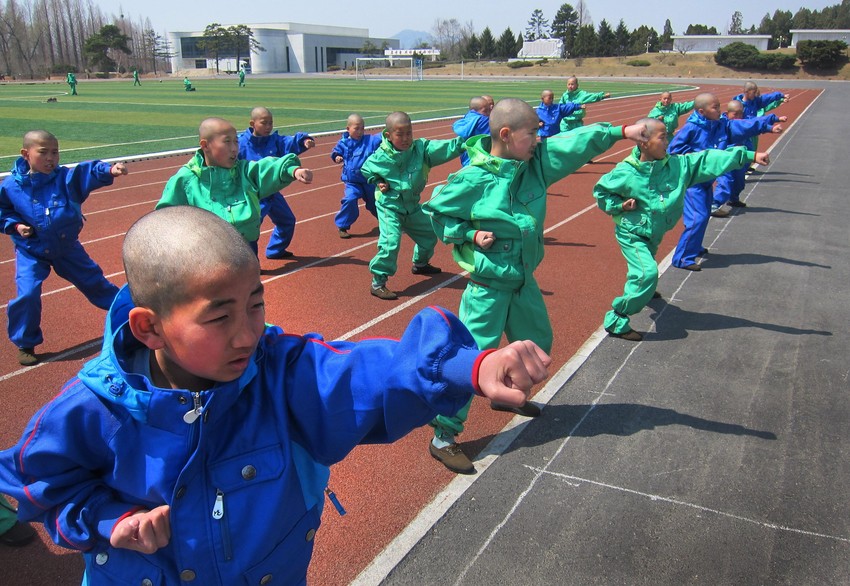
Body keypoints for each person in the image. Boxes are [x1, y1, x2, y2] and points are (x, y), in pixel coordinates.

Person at [0, 206, 551, 585]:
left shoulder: (276, 372)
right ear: (149, 328)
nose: (247, 333)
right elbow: (38, 485)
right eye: (219, 316)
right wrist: (107, 518)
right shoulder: (93, 408)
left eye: (256, 305)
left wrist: (471, 364)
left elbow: (367, 371)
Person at [422, 98, 647, 473]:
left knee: (538, 344)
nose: (541, 140)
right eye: (533, 133)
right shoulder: (473, 178)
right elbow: (437, 212)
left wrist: (621, 132)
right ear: (507, 136)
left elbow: (571, 145)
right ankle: (443, 436)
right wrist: (469, 232)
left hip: (523, 282)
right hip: (488, 287)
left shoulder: (534, 166)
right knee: (470, 358)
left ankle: (506, 395)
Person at [594, 118, 771, 341]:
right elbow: (602, 193)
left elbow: (707, 159)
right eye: (662, 137)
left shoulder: (678, 167)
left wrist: (748, 155)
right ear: (643, 142)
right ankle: (617, 319)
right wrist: (619, 205)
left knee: (644, 270)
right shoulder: (625, 172)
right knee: (647, 272)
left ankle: (644, 292)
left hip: (655, 232)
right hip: (632, 233)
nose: (668, 141)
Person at [0, 130, 128, 366]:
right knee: (27, 294)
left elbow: (87, 171)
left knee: (95, 282)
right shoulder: (10, 187)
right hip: (32, 250)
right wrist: (16, 226)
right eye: (43, 152)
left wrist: (109, 170)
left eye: (55, 152)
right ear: (25, 154)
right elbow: (3, 212)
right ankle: (25, 342)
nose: (51, 158)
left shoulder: (65, 179)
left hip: (66, 247)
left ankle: (129, 315)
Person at [158, 117, 313, 256]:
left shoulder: (243, 171)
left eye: (236, 142)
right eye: (227, 142)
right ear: (205, 145)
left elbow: (264, 169)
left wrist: (292, 170)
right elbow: (166, 217)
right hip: (207, 253)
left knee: (248, 286)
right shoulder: (186, 180)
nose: (234, 148)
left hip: (246, 247)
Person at [667, 93, 784, 271]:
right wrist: (699, 158)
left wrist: (768, 124)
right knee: (697, 218)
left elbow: (743, 125)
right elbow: (674, 151)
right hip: (693, 182)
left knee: (704, 215)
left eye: (718, 106)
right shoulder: (691, 128)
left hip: (706, 181)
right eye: (715, 107)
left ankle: (694, 246)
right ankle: (682, 258)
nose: (719, 110)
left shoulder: (721, 124)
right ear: (702, 111)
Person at [361, 111, 464, 300]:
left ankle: (420, 264)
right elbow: (366, 169)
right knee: (391, 243)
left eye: (409, 133)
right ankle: (378, 282)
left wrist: (464, 143)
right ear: (388, 135)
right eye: (400, 134)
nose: (406, 138)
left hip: (412, 206)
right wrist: (377, 179)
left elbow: (446, 148)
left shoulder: (421, 150)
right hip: (389, 206)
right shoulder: (381, 157)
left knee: (429, 234)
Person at [237, 107, 316, 259]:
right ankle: (251, 263)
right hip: (252, 196)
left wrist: (304, 140)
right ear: (252, 123)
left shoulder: (274, 141)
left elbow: (289, 142)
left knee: (287, 220)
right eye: (264, 123)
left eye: (271, 123)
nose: (268, 127)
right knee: (250, 231)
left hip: (272, 193)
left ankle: (275, 250)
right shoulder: (241, 144)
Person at [711, 100, 786, 214]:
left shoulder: (744, 121)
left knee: (739, 182)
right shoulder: (723, 124)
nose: (738, 116)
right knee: (726, 181)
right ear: (728, 113)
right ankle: (714, 204)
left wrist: (772, 125)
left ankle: (733, 199)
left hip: (742, 159)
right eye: (735, 114)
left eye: (740, 113)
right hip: (727, 158)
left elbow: (755, 123)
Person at [331, 113, 382, 239]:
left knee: (375, 202)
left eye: (362, 128)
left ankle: (386, 222)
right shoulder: (344, 143)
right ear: (348, 129)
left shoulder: (369, 140)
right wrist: (337, 156)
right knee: (350, 199)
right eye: (356, 128)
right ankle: (343, 225)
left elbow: (381, 137)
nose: (360, 131)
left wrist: (392, 130)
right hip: (352, 181)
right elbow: (335, 151)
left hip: (368, 180)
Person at [453, 96, 492, 166]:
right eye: (486, 110)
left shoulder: (466, 118)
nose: (488, 113)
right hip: (480, 161)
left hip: (466, 160)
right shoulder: (483, 121)